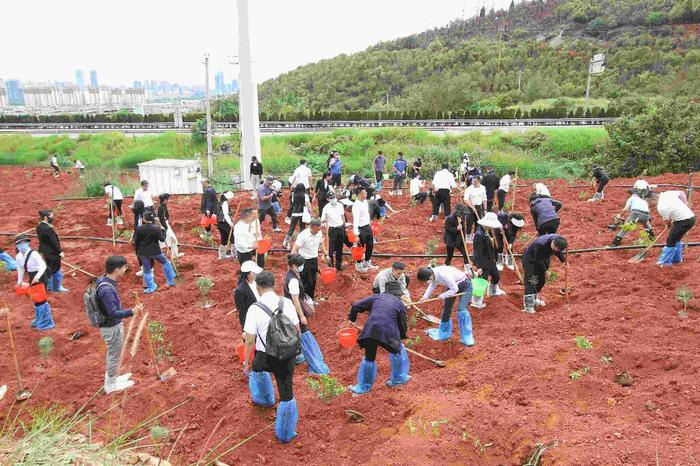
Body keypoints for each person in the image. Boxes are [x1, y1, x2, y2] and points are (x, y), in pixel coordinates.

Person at [242, 271, 300, 443]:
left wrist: (246, 362)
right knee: (286, 394)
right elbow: (296, 329)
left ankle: (265, 399)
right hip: (286, 357)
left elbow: (250, 339)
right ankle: (285, 433)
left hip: (264, 355)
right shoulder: (287, 303)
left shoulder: (254, 308)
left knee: (257, 370)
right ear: (274, 285)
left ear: (258, 288)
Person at [347, 282, 411, 394]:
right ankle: (398, 379)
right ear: (398, 294)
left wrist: (352, 320)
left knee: (369, 358)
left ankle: (363, 388)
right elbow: (402, 324)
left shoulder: (376, 297)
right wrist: (401, 338)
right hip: (387, 334)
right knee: (397, 353)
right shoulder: (399, 304)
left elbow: (355, 306)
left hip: (370, 331)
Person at [96, 256, 142, 394]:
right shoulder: (106, 290)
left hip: (112, 325)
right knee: (114, 354)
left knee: (115, 352)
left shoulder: (105, 280)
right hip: (111, 327)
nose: (125, 269)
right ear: (116, 269)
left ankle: (114, 378)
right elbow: (113, 312)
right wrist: (132, 311)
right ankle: (110, 385)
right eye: (123, 267)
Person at [283, 254, 330, 375]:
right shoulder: (292, 280)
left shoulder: (290, 275)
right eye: (300, 265)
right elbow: (296, 300)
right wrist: (302, 316)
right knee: (302, 333)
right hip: (294, 312)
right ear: (293, 266)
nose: (302, 267)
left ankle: (295, 356)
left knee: (294, 334)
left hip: (290, 310)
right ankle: (314, 364)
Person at [416, 266, 474, 346]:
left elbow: (455, 289)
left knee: (461, 309)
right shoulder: (433, 275)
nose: (426, 283)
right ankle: (444, 333)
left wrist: (444, 295)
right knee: (447, 309)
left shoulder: (443, 275)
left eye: (426, 281)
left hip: (465, 286)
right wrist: (425, 297)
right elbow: (432, 285)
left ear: (430, 277)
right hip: (452, 286)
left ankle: (467, 337)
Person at [14, 234, 55, 330]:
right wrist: (19, 281)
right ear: (17, 246)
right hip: (31, 276)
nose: (22, 245)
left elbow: (43, 266)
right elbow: (20, 268)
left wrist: (37, 277)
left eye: (24, 242)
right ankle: (39, 318)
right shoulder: (19, 256)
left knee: (41, 298)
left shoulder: (34, 254)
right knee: (35, 298)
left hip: (40, 275)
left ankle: (46, 322)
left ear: (27, 243)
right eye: (20, 243)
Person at [522, 234, 568, 314]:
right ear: (553, 243)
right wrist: (545, 270)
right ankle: (528, 307)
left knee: (541, 281)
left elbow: (558, 251)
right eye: (555, 248)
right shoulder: (540, 244)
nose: (556, 250)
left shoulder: (557, 241)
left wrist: (563, 261)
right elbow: (538, 259)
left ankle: (534, 299)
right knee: (532, 281)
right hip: (531, 260)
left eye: (558, 249)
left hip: (542, 260)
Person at [133, 211, 176, 293]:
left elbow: (136, 241)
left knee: (147, 269)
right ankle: (170, 280)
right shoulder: (156, 228)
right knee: (166, 262)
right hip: (155, 251)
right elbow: (162, 239)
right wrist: (163, 231)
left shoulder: (139, 228)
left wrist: (137, 251)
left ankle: (151, 286)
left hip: (143, 252)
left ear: (144, 219)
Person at [472, 212, 506, 306]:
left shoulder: (487, 231)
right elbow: (478, 252)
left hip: (490, 259)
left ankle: (493, 291)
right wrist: (479, 267)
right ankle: (476, 302)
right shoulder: (479, 234)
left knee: (496, 276)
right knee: (481, 281)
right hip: (482, 261)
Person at [291, 218, 330, 301]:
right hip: (304, 261)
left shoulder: (319, 233)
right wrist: (293, 263)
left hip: (314, 260)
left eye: (319, 229)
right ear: (311, 227)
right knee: (305, 281)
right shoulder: (303, 235)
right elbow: (294, 249)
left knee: (313, 281)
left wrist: (326, 254)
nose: (318, 231)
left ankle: (310, 299)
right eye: (316, 229)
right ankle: (303, 299)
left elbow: (321, 244)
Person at [655, 191, 696, 266]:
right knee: (676, 239)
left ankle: (665, 262)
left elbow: (667, 221)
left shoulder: (661, 207)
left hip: (684, 220)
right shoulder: (666, 194)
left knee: (671, 240)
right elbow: (682, 193)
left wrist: (668, 225)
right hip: (689, 218)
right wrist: (685, 205)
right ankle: (677, 259)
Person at [37, 209, 69, 293]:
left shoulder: (39, 226)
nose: (52, 218)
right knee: (55, 270)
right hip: (53, 253)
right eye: (51, 216)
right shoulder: (48, 228)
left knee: (48, 269)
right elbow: (54, 241)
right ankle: (56, 287)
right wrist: (59, 251)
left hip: (45, 252)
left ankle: (49, 286)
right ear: (45, 217)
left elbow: (42, 240)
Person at [321, 192, 350, 271]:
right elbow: (322, 220)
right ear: (328, 199)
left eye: (334, 197)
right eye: (331, 198)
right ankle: (330, 266)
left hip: (340, 228)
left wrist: (344, 226)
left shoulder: (340, 205)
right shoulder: (326, 208)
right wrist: (325, 219)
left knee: (339, 248)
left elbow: (342, 216)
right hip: (332, 230)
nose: (333, 199)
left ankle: (338, 265)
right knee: (331, 248)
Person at [352, 187, 379, 273]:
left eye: (366, 193)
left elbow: (366, 214)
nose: (366, 194)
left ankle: (367, 262)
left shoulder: (365, 202)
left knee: (370, 245)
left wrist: (369, 221)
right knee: (360, 248)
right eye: (364, 193)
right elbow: (355, 221)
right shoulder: (356, 205)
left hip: (367, 226)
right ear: (360, 194)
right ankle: (359, 265)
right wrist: (356, 235)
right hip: (360, 229)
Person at [283, 184, 313, 249]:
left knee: (291, 228)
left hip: (294, 214)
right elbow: (309, 206)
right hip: (302, 214)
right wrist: (311, 214)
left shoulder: (293, 195)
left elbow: (292, 204)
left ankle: (286, 242)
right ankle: (301, 243)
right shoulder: (305, 196)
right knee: (302, 228)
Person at [233, 260, 262, 328]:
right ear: (247, 274)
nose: (256, 273)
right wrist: (245, 328)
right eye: (253, 272)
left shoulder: (257, 281)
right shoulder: (240, 290)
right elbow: (242, 312)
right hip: (253, 319)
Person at [157, 194, 183, 259]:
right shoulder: (161, 208)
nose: (169, 200)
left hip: (165, 224)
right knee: (170, 239)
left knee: (172, 239)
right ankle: (172, 254)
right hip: (164, 225)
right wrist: (165, 228)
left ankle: (175, 254)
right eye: (168, 199)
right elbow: (162, 219)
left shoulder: (163, 206)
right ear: (165, 200)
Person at [463, 176, 487, 242]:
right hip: (470, 207)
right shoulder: (469, 189)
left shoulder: (483, 188)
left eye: (475, 181)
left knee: (478, 223)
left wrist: (485, 209)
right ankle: (468, 236)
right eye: (472, 181)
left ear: (479, 181)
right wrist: (472, 207)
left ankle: (475, 236)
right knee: (469, 222)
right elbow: (465, 199)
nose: (473, 182)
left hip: (479, 207)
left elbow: (484, 199)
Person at [216, 191, 235, 260]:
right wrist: (230, 223)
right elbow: (226, 214)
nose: (231, 200)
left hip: (220, 223)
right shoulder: (225, 203)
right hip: (225, 223)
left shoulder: (219, 202)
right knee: (233, 238)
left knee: (224, 239)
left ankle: (222, 255)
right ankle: (235, 255)